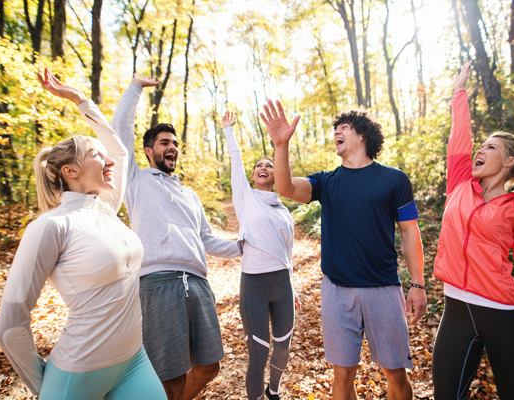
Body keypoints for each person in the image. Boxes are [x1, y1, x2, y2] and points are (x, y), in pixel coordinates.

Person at [0, 69, 167, 400]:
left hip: (133, 361)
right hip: (78, 373)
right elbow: (10, 323)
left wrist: (79, 100)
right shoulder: (50, 226)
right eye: (95, 155)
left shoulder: (103, 208)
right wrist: (45, 386)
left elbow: (118, 152)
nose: (108, 161)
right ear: (70, 172)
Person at [260, 100, 426, 400]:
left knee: (395, 374)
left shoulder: (394, 179)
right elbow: (285, 188)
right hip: (337, 291)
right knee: (342, 374)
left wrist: (418, 284)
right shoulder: (327, 182)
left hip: (383, 289)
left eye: (344, 128)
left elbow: (409, 231)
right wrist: (280, 145)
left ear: (362, 135)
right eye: (335, 129)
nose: (336, 132)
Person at [432, 61, 514, 399]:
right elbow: (460, 137)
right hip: (456, 311)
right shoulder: (460, 183)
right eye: (482, 145)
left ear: (509, 162)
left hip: (503, 316)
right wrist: (459, 92)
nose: (480, 149)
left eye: (491, 147)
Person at [110, 76, 240, 400]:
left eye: (175, 143)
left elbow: (208, 240)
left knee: (210, 366)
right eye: (165, 142)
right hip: (158, 282)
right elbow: (118, 129)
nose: (172, 148)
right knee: (170, 374)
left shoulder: (190, 195)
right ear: (148, 151)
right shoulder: (136, 181)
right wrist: (136, 87)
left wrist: (244, 246)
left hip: (197, 282)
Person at [221, 111, 300, 400]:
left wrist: (293, 287)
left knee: (283, 345)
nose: (263, 167)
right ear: (254, 175)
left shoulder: (284, 211)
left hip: (282, 285)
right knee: (259, 350)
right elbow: (236, 161)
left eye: (269, 164)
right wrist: (229, 130)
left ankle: (274, 390)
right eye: (259, 165)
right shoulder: (245, 197)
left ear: (276, 173)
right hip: (253, 285)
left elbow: (287, 252)